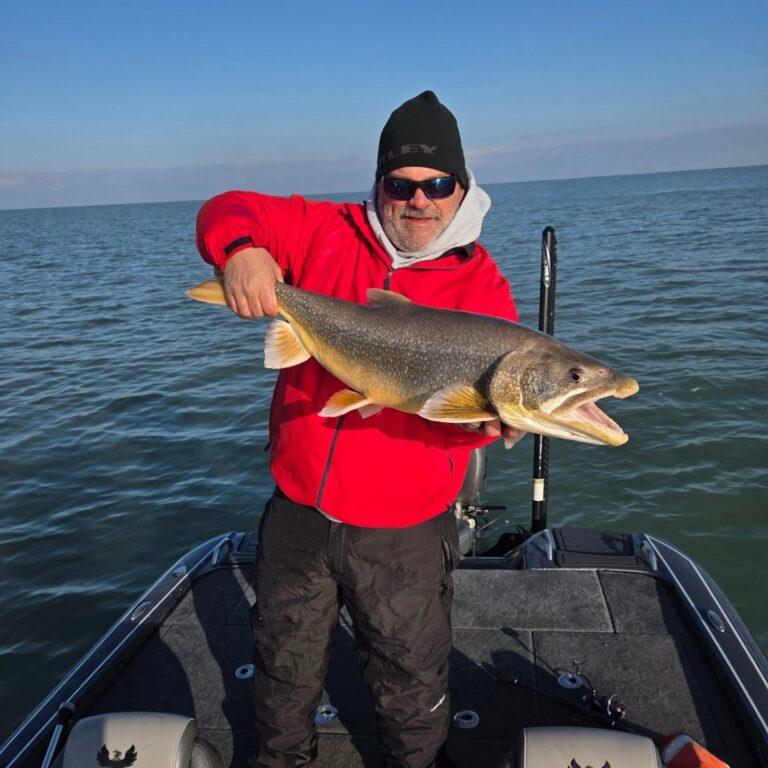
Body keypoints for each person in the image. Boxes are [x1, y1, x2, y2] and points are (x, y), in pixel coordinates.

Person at [196, 91, 522, 768]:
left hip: (404, 531)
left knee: (411, 680)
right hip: (300, 514)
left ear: (463, 188)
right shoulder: (325, 228)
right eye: (400, 185)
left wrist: (487, 426)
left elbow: (468, 426)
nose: (419, 201)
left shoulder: (483, 291)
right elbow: (225, 208)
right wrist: (242, 252)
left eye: (438, 185)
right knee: (282, 666)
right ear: (379, 185)